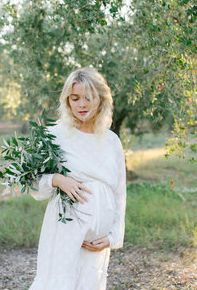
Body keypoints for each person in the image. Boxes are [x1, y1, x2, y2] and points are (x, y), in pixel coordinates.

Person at [29, 67, 126, 290]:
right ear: (67, 100)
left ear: (101, 100)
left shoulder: (112, 141)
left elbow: (120, 192)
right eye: (75, 98)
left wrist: (112, 237)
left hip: (97, 245)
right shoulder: (55, 135)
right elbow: (34, 183)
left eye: (88, 98)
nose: (81, 105)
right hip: (64, 233)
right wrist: (57, 179)